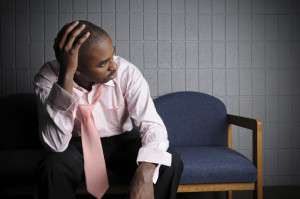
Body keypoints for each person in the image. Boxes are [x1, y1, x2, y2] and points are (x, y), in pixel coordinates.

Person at [33, 20, 183, 199]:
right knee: (51, 168)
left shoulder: (126, 72)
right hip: (74, 144)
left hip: (121, 142)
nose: (114, 66)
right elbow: (55, 144)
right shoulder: (47, 79)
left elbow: (153, 125)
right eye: (104, 63)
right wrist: (66, 76)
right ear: (77, 69)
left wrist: (146, 170)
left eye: (112, 56)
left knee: (167, 161)